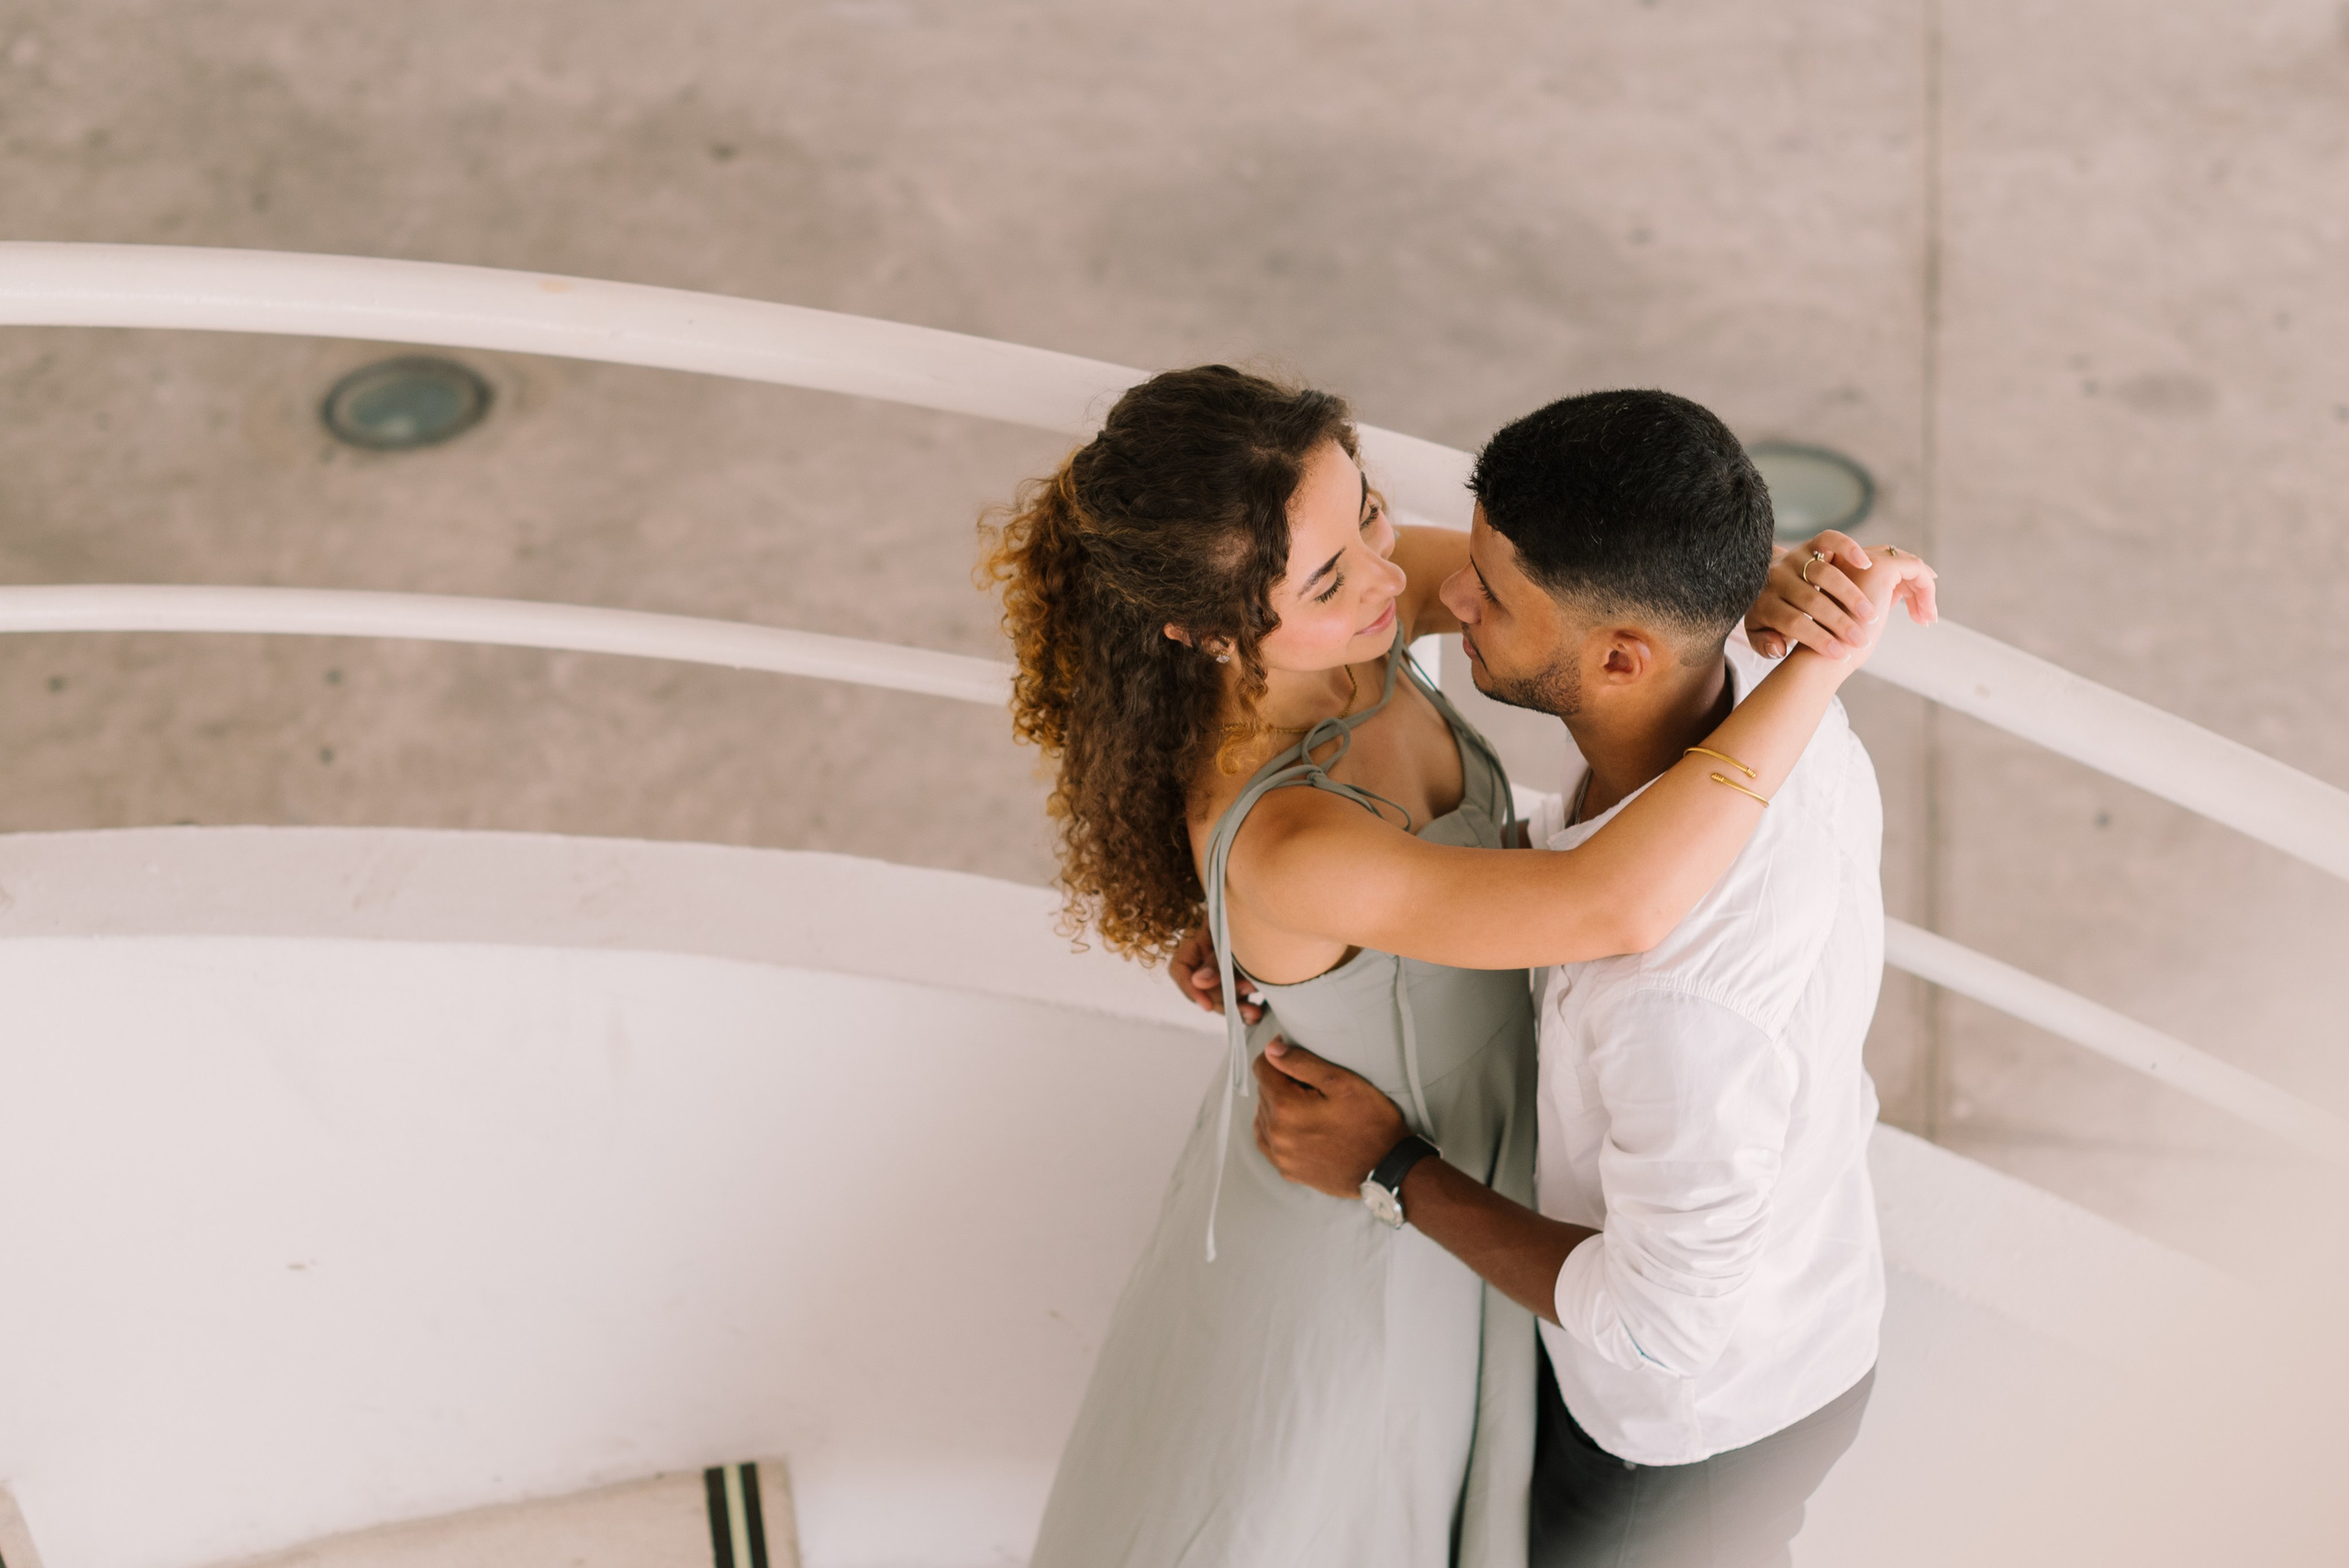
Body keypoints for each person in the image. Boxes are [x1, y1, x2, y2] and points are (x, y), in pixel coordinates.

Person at [976, 366, 1930, 1568]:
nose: (1407, 580)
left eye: (1369, 508)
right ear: (1212, 633)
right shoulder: (1294, 839)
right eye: (1329, 574)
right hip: (1364, 1224)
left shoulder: (1359, 618)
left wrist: (1755, 599)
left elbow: (1612, 625)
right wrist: (1812, 663)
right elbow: (1613, 902)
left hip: (1495, 1213)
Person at [1250, 390, 1909, 1567]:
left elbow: (1657, 1325)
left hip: (1685, 1434)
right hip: (1799, 1303)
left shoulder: (1681, 1006)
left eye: (1492, 595)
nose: (1445, 597)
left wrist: (1388, 1165)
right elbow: (1572, 869)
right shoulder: (1759, 689)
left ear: (1620, 655)